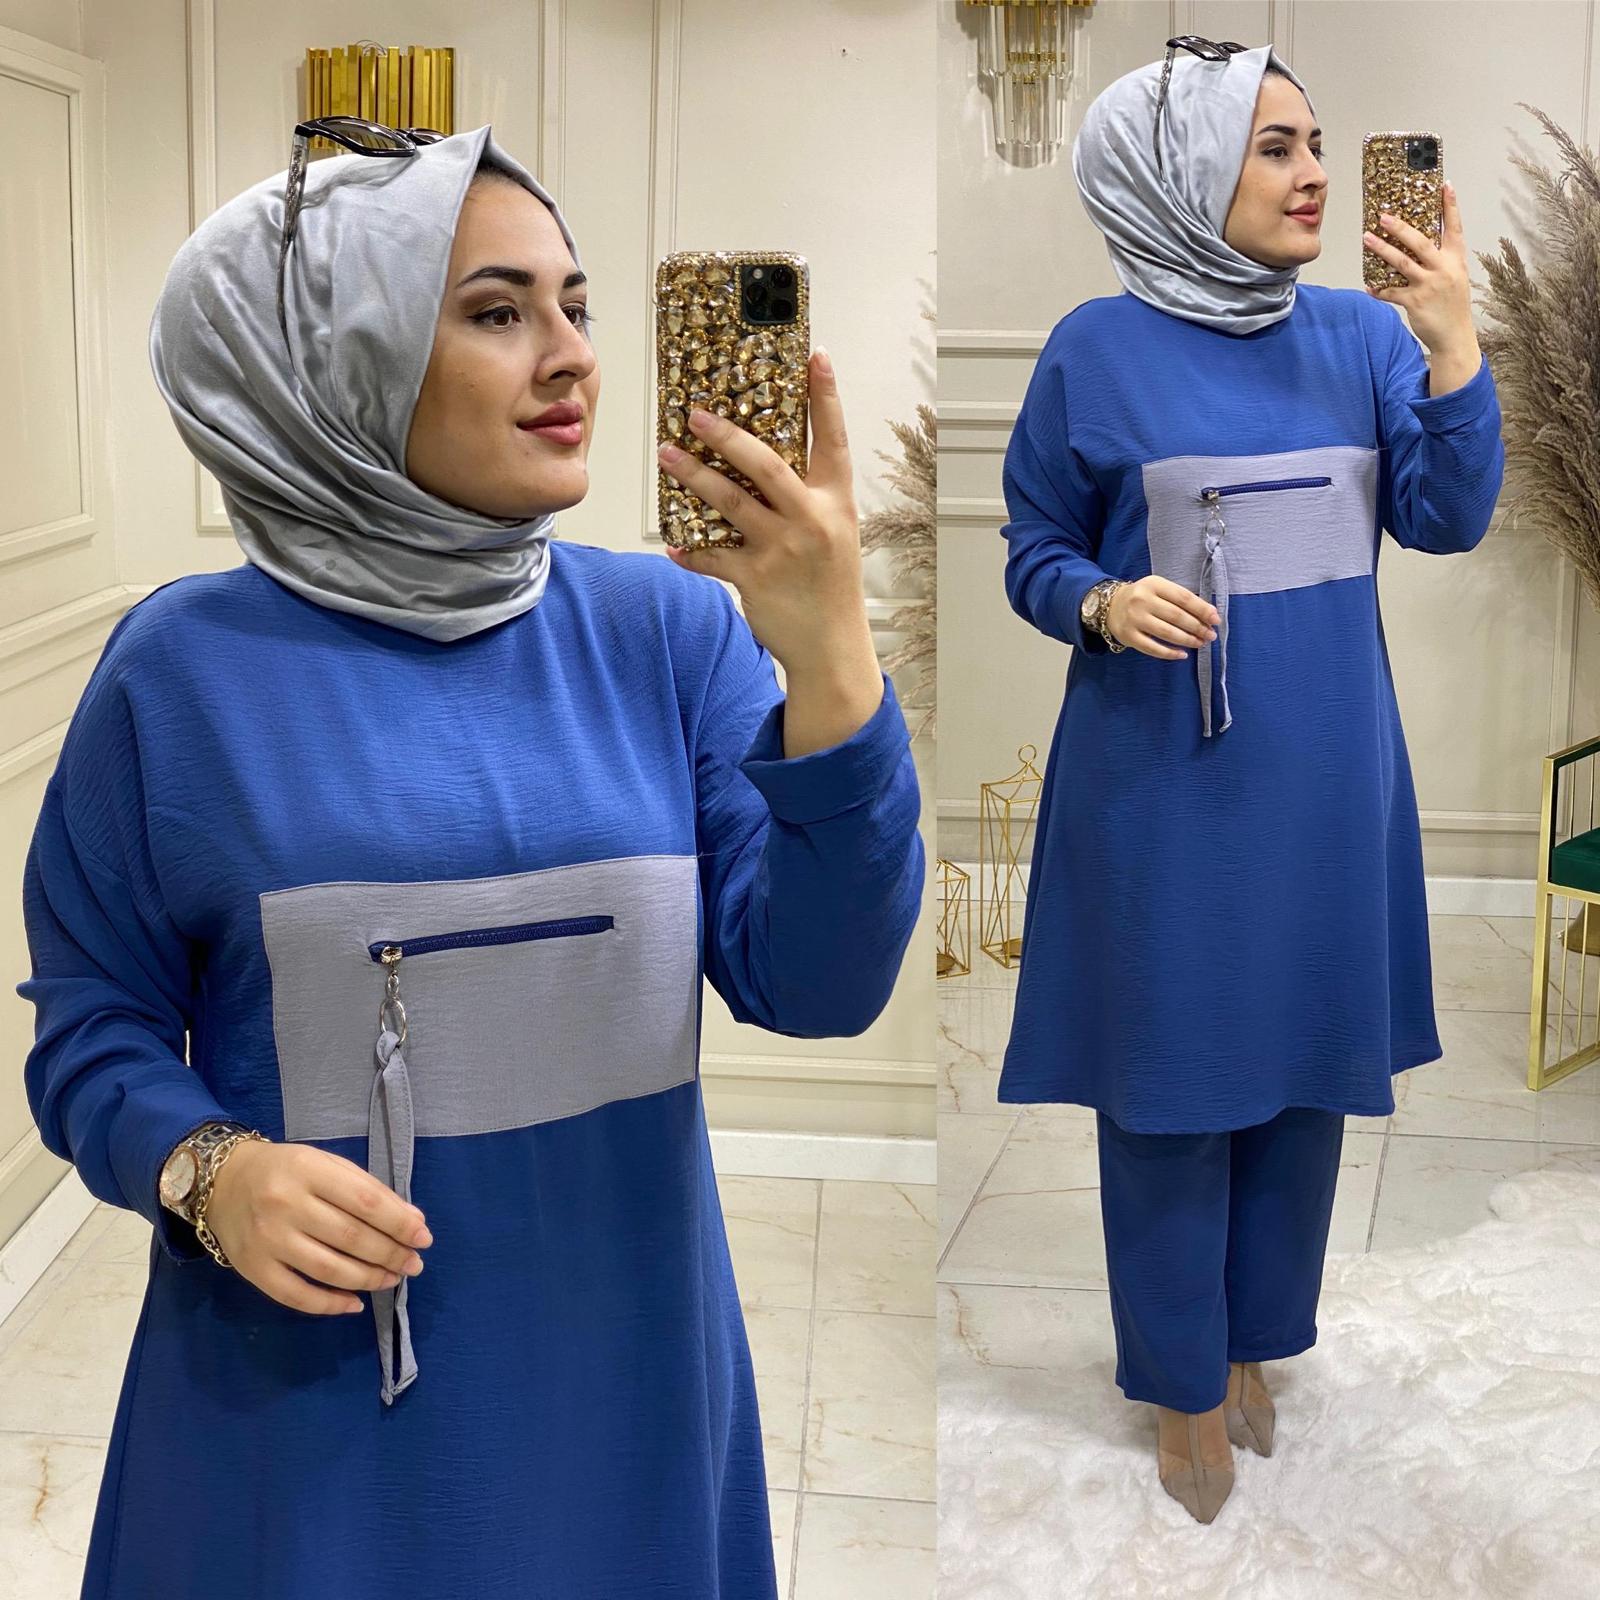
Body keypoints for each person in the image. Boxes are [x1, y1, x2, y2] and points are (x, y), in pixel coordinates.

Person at [16, 120, 924, 1596]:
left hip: (624, 1390)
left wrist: (831, 664)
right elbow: (92, 1026)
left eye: (577, 305)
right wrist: (206, 1171)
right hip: (303, 1424)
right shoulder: (181, 674)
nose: (571, 357)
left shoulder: (668, 635)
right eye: (498, 313)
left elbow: (821, 986)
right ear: (341, 362)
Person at [995, 42, 1504, 1523]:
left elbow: (1448, 515)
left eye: (1317, 142)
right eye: (1273, 146)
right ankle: (1178, 1378)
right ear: (1178, 174)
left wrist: (1452, 345)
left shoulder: (1359, 335)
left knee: (1301, 1068)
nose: (1314, 174)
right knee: (1170, 1084)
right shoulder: (1094, 349)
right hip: (1159, 787)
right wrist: (1100, 602)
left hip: (1328, 780)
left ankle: (1250, 1343)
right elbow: (1034, 545)